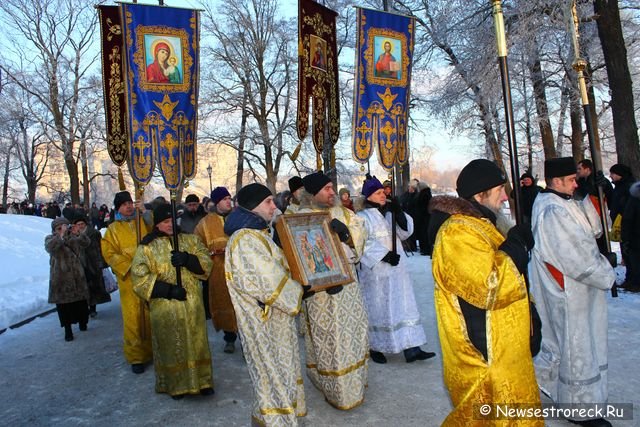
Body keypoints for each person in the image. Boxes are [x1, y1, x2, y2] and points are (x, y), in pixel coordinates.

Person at [429, 159, 542, 426]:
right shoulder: (458, 231)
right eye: (500, 190)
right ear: (480, 194)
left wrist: (531, 321)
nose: (506, 196)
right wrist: (515, 246)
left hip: (505, 347)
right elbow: (487, 287)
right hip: (485, 353)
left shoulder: (482, 225)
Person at [530, 157, 616, 427]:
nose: (575, 183)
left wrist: (593, 194)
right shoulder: (551, 211)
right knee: (575, 345)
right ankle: (580, 407)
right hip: (569, 290)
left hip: (579, 289)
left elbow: (595, 229)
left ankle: (551, 385)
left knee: (573, 343)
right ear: (556, 181)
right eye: (572, 180)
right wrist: (606, 269)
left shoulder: (564, 202)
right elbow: (575, 256)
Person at [224, 183, 306, 426]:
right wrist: (301, 289)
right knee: (272, 374)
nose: (274, 206)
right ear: (252, 206)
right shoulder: (245, 239)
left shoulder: (258, 233)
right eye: (268, 202)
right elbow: (267, 282)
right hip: (264, 321)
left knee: (280, 371)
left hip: (274, 318)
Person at [298, 171, 369, 410]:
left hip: (347, 289)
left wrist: (347, 235)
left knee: (351, 335)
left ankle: (354, 383)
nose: (332, 192)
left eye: (332, 187)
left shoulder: (344, 214)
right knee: (327, 340)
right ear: (313, 193)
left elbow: (360, 240)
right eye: (327, 188)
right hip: (320, 296)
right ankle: (331, 387)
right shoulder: (299, 220)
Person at [130, 203, 214, 399]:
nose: (170, 224)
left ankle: (203, 381)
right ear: (157, 224)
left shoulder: (190, 240)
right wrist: (167, 290)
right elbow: (139, 277)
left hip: (192, 305)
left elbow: (206, 263)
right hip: (166, 307)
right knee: (171, 346)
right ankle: (176, 385)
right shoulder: (147, 247)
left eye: (172, 220)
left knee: (198, 343)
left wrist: (188, 259)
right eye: (165, 221)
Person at [357, 175, 435, 364]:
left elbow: (406, 232)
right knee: (379, 308)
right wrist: (383, 255)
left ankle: (411, 347)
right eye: (377, 193)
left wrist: (399, 213)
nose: (383, 195)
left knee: (404, 306)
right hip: (376, 272)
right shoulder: (361, 217)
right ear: (368, 196)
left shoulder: (390, 213)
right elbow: (359, 242)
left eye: (383, 192)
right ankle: (376, 346)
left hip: (397, 270)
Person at [101, 191, 153, 374]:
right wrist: (129, 266)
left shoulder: (142, 222)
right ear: (118, 208)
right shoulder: (113, 230)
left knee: (151, 313)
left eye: (130, 203)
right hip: (129, 279)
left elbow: (157, 232)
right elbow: (109, 253)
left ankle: (154, 350)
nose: (129, 206)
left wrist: (145, 212)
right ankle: (136, 356)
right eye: (124, 204)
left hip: (148, 275)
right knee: (133, 318)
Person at [193, 186, 239, 353]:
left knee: (242, 305)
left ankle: (247, 340)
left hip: (239, 270)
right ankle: (229, 338)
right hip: (218, 271)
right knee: (224, 302)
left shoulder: (237, 217)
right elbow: (196, 246)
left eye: (229, 198)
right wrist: (210, 254)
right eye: (225, 199)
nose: (229, 201)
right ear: (217, 202)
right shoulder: (205, 223)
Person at [45, 217, 91, 342]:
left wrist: (79, 233)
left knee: (80, 303)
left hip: (77, 276)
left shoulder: (73, 238)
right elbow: (50, 247)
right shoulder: (51, 238)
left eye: (65, 226)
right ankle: (67, 329)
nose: (63, 229)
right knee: (64, 307)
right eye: (59, 227)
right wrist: (60, 236)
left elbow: (86, 243)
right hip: (60, 278)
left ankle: (83, 322)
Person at [72, 211, 111, 317]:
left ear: (85, 224)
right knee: (84, 286)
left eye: (82, 224)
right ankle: (86, 307)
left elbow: (100, 247)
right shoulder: (73, 235)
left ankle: (92, 308)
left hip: (93, 262)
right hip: (80, 263)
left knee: (93, 286)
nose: (80, 226)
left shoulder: (94, 233)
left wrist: (102, 262)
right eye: (78, 225)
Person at [621, 181, 640, 292]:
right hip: (635, 238)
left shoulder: (633, 200)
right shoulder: (633, 201)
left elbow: (627, 220)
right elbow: (628, 220)